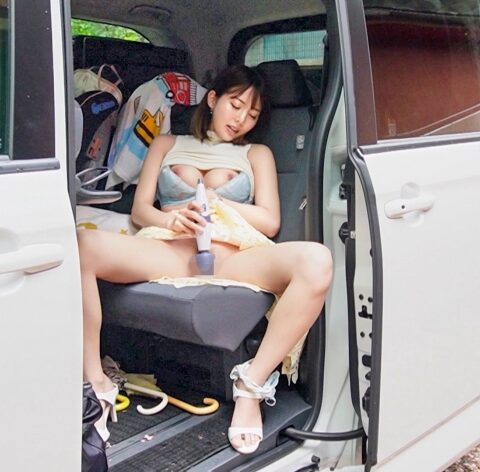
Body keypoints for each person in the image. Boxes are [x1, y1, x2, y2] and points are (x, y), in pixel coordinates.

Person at [78, 64, 333, 454]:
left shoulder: (256, 153)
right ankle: (94, 380)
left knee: (317, 261)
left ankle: (250, 386)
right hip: (171, 248)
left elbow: (270, 220)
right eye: (236, 105)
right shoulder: (166, 143)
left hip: (233, 253)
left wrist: (217, 201)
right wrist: (173, 218)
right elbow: (142, 210)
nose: (242, 119)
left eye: (253, 114)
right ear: (213, 99)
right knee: (82, 244)